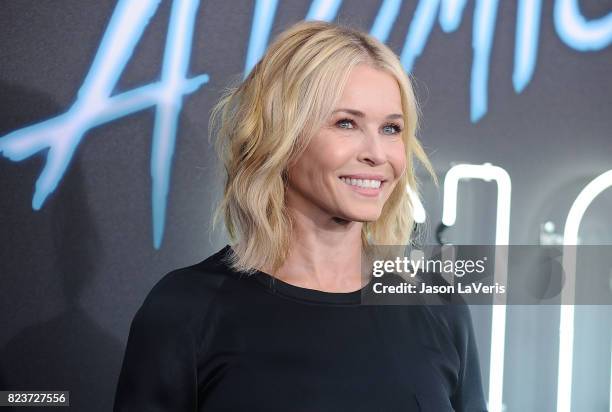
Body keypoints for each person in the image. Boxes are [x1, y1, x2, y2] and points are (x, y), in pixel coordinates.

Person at [113, 20, 488, 411]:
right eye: (347, 123)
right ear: (283, 136)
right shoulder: (186, 310)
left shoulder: (436, 305)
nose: (378, 154)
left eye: (391, 129)